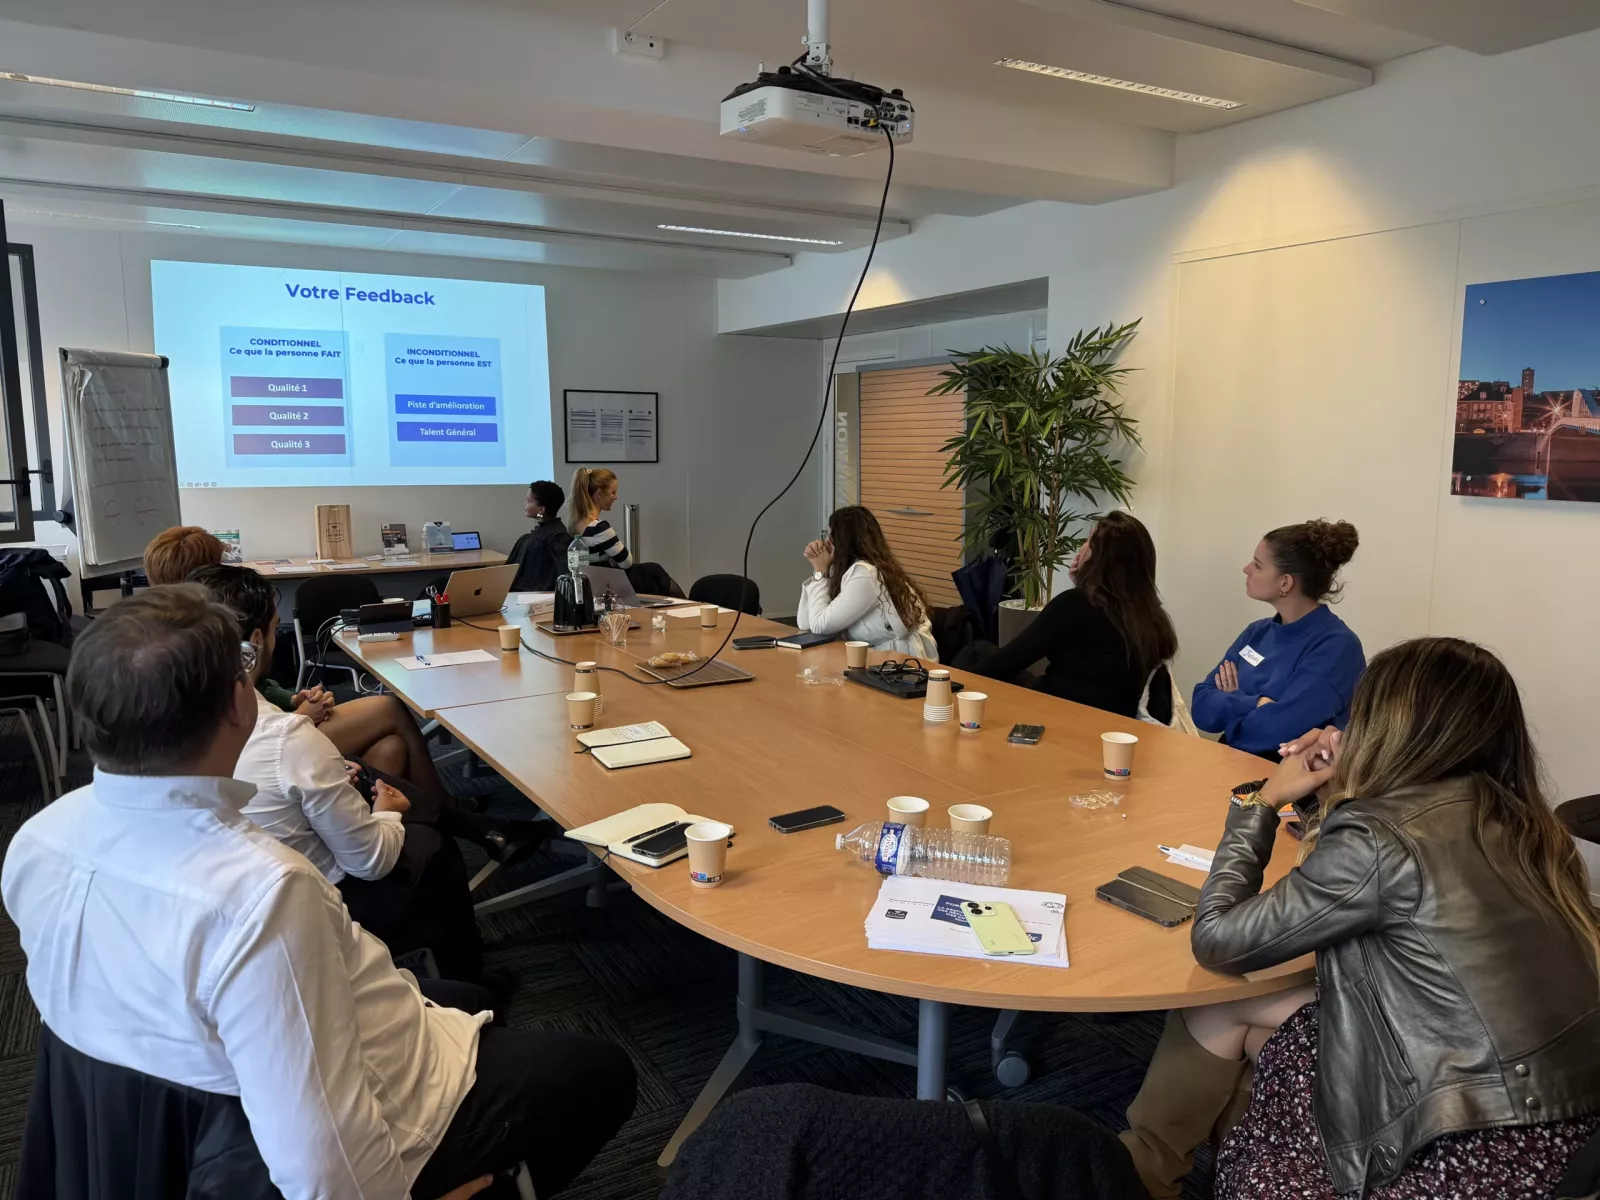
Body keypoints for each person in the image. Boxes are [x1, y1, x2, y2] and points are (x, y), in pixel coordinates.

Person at [2, 584, 635, 1198]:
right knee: (603, 1074)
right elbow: (326, 1168)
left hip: (185, 1104)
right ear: (238, 705)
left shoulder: (38, 840)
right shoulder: (262, 893)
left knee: (466, 996)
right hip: (362, 1120)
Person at [1121, 637, 1600, 1199]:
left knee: (1216, 1003)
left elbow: (1217, 937)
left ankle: (1144, 1177)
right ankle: (1195, 1158)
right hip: (1561, 1126)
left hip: (1464, 1148)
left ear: (1390, 726)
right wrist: (1337, 797)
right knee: (1250, 1022)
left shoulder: (1383, 833)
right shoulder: (1530, 824)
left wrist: (1263, 800)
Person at [191, 564, 540, 983]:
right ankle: (468, 983)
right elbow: (369, 863)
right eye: (274, 627)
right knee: (432, 845)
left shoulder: (174, 720)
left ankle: (472, 831)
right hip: (307, 902)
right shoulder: (286, 738)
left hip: (231, 894)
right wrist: (389, 815)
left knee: (389, 749)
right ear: (255, 642)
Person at [142, 524, 455, 787]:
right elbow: (239, 735)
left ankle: (390, 819)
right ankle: (438, 810)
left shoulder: (166, 631)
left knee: (390, 748)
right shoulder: (190, 646)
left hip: (273, 728)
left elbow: (256, 688)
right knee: (388, 708)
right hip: (257, 752)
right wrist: (299, 718)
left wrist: (291, 699)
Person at [961, 512, 1178, 720]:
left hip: (1057, 716)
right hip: (1116, 726)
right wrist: (1084, 584)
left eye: (1088, 542)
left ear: (1096, 557)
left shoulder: (1073, 605)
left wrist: (956, 683)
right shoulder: (1153, 620)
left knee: (977, 652)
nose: (1081, 548)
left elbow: (1009, 661)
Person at [1190, 519, 1365, 760]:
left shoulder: (1337, 647)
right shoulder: (1256, 633)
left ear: (1285, 582)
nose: (1246, 569)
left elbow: (1273, 733)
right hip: (1230, 761)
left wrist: (1231, 700)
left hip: (1281, 774)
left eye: (1258, 565)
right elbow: (1201, 708)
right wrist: (1256, 703)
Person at [796, 506, 937, 658]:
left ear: (843, 542)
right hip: (877, 658)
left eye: (830, 538)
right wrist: (820, 573)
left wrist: (820, 571)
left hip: (901, 661)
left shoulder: (865, 574)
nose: (825, 544)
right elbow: (806, 623)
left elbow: (818, 625)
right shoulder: (844, 570)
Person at [509, 479, 572, 591]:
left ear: (541, 509)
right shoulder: (556, 534)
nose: (525, 504)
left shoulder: (547, 540)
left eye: (528, 501)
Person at [568, 467, 630, 569]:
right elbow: (626, 562)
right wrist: (613, 556)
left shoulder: (574, 525)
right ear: (599, 494)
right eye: (613, 492)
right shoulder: (599, 529)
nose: (616, 497)